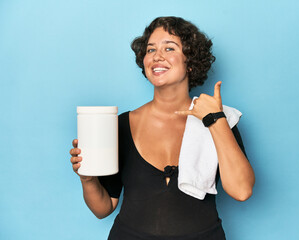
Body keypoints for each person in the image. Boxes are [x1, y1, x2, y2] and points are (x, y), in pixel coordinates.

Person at [69, 16, 255, 240]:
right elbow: (103, 208)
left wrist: (215, 119)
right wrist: (87, 178)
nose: (157, 56)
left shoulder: (217, 119)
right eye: (150, 50)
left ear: (192, 61)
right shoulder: (121, 125)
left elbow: (242, 191)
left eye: (169, 48)